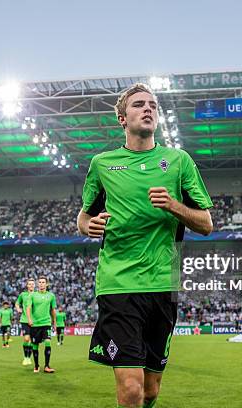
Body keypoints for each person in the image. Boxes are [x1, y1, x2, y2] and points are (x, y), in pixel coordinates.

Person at [77, 83, 213, 407]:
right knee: (132, 389)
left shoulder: (178, 161)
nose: (148, 108)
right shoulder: (102, 164)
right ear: (123, 118)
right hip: (118, 282)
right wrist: (87, 225)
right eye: (139, 104)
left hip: (165, 283)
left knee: (151, 390)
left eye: (153, 104)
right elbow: (83, 218)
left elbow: (206, 223)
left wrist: (173, 206)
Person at [25, 276, 57, 374]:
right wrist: (29, 319)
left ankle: (47, 366)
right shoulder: (32, 295)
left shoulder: (51, 296)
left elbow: (53, 310)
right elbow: (28, 308)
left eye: (43, 282)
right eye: (40, 282)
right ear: (38, 284)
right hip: (35, 324)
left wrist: (54, 322)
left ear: (47, 284)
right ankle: (36, 365)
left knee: (48, 342)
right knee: (35, 345)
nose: (41, 284)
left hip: (46, 323)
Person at [15, 278, 35, 366]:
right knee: (26, 339)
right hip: (25, 319)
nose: (31, 285)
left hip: (35, 320)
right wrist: (18, 308)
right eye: (29, 284)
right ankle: (25, 357)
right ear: (27, 285)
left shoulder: (37, 295)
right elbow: (17, 303)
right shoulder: (23, 295)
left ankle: (28, 358)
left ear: (34, 285)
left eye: (32, 284)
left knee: (32, 340)